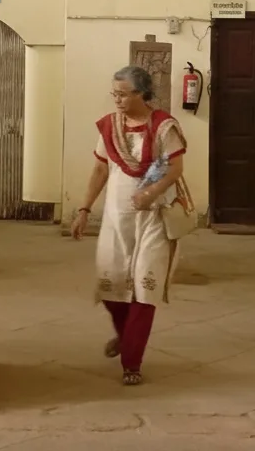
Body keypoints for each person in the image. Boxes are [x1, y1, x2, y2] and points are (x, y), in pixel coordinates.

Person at [70, 65, 188, 386]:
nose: (117, 100)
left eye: (123, 94)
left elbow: (175, 169)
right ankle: (126, 337)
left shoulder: (164, 127)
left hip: (154, 218)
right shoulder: (110, 127)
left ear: (141, 93)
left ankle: (131, 362)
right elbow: (99, 171)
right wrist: (84, 209)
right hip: (116, 218)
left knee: (145, 290)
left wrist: (150, 193)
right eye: (114, 94)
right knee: (111, 288)